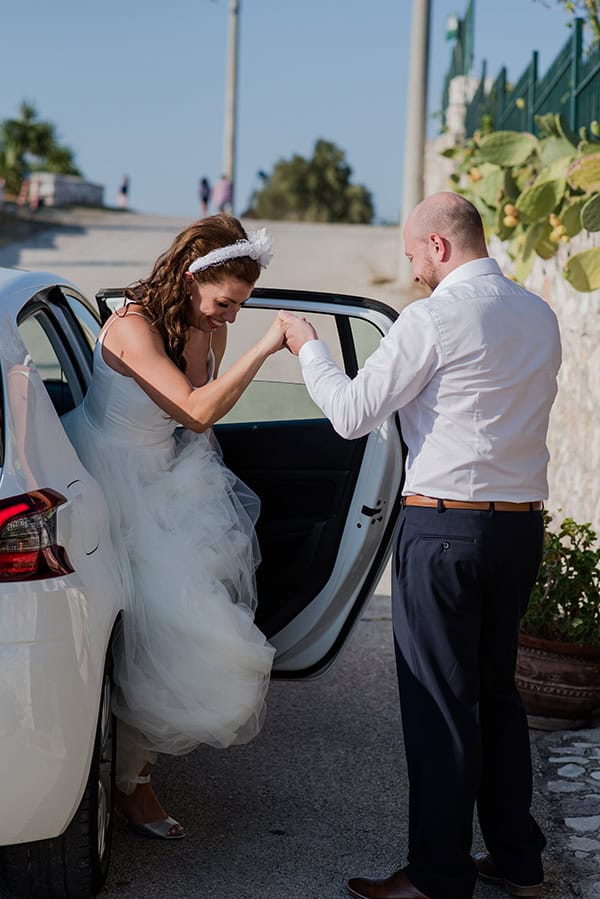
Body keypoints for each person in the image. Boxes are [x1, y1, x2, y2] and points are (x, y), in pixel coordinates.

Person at [281, 191, 561, 899]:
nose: (412, 273)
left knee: (439, 701)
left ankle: (438, 873)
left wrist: (308, 347)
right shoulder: (539, 314)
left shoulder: (431, 319)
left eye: (412, 256)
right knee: (498, 694)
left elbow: (350, 413)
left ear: (438, 245)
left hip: (445, 528)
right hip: (519, 525)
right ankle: (518, 858)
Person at [63, 214, 286, 840]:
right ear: (193, 279)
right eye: (225, 303)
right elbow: (193, 410)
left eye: (242, 309)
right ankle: (128, 784)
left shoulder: (205, 329)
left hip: (164, 481)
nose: (231, 319)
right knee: (142, 627)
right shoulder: (133, 327)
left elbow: (198, 429)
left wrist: (196, 491)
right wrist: (266, 347)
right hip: (109, 479)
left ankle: (128, 771)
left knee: (180, 629)